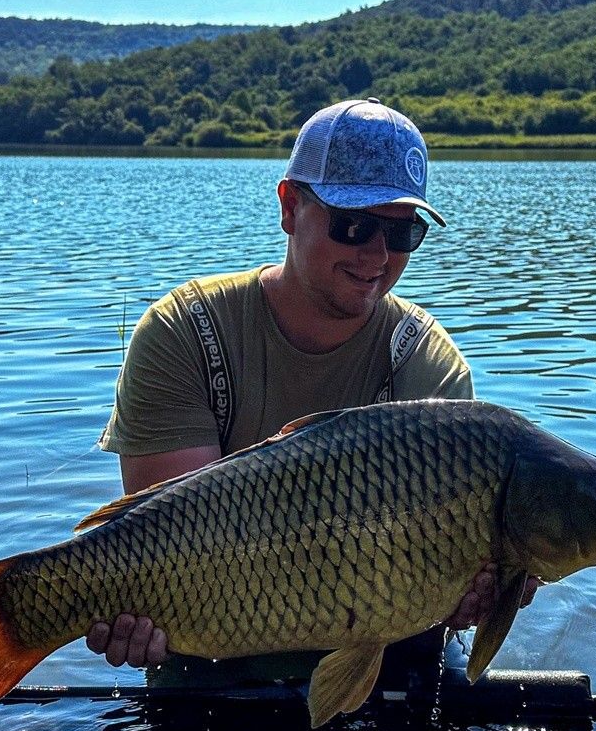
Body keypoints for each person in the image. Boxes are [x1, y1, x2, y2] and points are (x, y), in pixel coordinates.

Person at [87, 97, 536, 680]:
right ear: (290, 206)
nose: (376, 255)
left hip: (386, 647)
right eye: (355, 225)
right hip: (216, 643)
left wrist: (473, 596)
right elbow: (169, 554)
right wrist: (128, 611)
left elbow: (447, 581)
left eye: (404, 233)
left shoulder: (426, 362)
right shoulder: (186, 333)